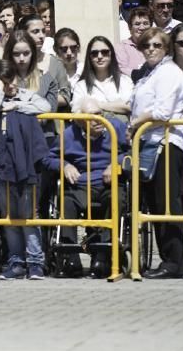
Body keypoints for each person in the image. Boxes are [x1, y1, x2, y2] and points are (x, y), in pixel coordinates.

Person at [128, 27, 183, 279]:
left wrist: (135, 124)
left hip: (167, 141)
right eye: (146, 46)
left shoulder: (169, 72)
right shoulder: (148, 74)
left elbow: (163, 112)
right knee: (155, 203)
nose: (151, 49)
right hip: (149, 141)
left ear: (167, 48)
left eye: (157, 45)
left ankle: (174, 261)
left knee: (167, 202)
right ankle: (167, 259)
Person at [0, 61, 50, 280]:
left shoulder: (27, 95)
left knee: (29, 215)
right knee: (9, 216)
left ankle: (35, 262)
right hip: (1, 165)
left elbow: (45, 107)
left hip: (26, 163)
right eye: (3, 80)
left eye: (10, 78)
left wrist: (16, 106)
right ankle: (16, 261)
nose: (9, 84)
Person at [43, 99, 127, 278]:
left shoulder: (115, 128)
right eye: (91, 116)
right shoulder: (68, 134)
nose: (98, 120)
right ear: (79, 120)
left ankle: (103, 255)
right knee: (65, 202)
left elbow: (132, 151)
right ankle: (71, 257)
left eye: (99, 114)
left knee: (117, 200)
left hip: (108, 184)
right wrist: (64, 165)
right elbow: (49, 158)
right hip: (80, 184)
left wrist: (116, 163)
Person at [71, 36, 131, 119]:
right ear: (89, 57)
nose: (99, 56)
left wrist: (97, 104)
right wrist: (116, 105)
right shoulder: (81, 86)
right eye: (94, 53)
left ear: (111, 54)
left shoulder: (125, 81)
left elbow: (130, 107)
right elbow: (76, 112)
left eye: (105, 52)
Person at [116, 6, 152, 76]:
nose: (142, 28)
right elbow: (122, 69)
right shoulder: (121, 48)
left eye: (145, 23)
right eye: (137, 24)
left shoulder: (156, 46)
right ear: (130, 27)